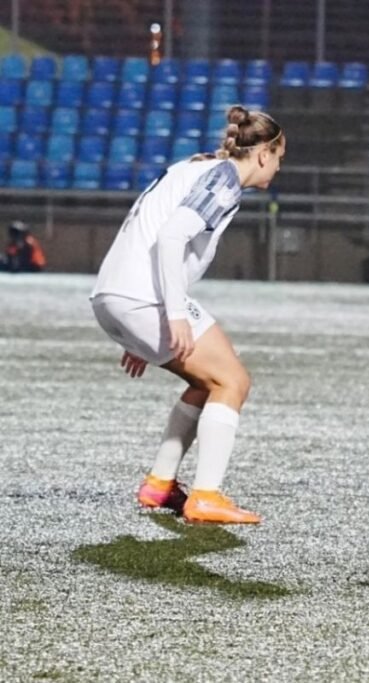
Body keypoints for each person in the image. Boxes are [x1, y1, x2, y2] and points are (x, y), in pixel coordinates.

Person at [90, 106, 285, 524]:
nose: (278, 169)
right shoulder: (224, 180)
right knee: (233, 380)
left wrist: (141, 331)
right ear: (265, 154)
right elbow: (172, 235)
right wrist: (172, 314)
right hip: (144, 296)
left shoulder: (198, 167)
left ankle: (160, 484)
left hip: (112, 295)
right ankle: (206, 497)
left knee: (207, 381)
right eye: (280, 158)